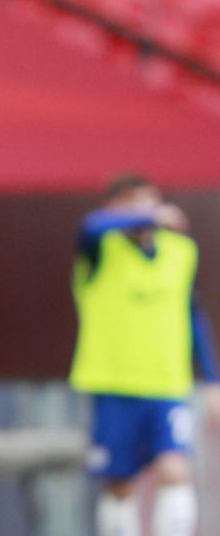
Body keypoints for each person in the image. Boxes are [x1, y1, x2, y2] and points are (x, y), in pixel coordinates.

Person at [69, 174, 220, 536]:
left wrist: (212, 382)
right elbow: (90, 225)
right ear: (114, 208)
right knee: (120, 484)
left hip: (168, 384)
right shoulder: (99, 248)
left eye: (150, 202)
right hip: (114, 385)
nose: (145, 211)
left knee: (175, 470)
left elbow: (192, 316)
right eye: (133, 203)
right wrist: (149, 217)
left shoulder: (180, 251)